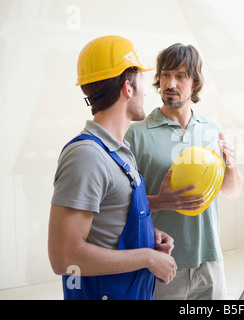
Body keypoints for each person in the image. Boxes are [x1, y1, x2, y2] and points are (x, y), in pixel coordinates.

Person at [48, 35, 177, 300]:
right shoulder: (87, 155)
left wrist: (145, 236)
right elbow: (64, 257)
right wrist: (147, 257)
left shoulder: (119, 150)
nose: (145, 90)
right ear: (127, 87)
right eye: (141, 80)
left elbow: (109, 217)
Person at [125, 43, 243, 300]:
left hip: (210, 259)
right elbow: (122, 202)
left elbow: (232, 192)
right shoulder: (137, 133)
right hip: (162, 261)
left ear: (195, 82)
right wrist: (159, 201)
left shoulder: (212, 130)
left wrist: (231, 166)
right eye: (166, 75)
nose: (171, 83)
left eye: (180, 76)